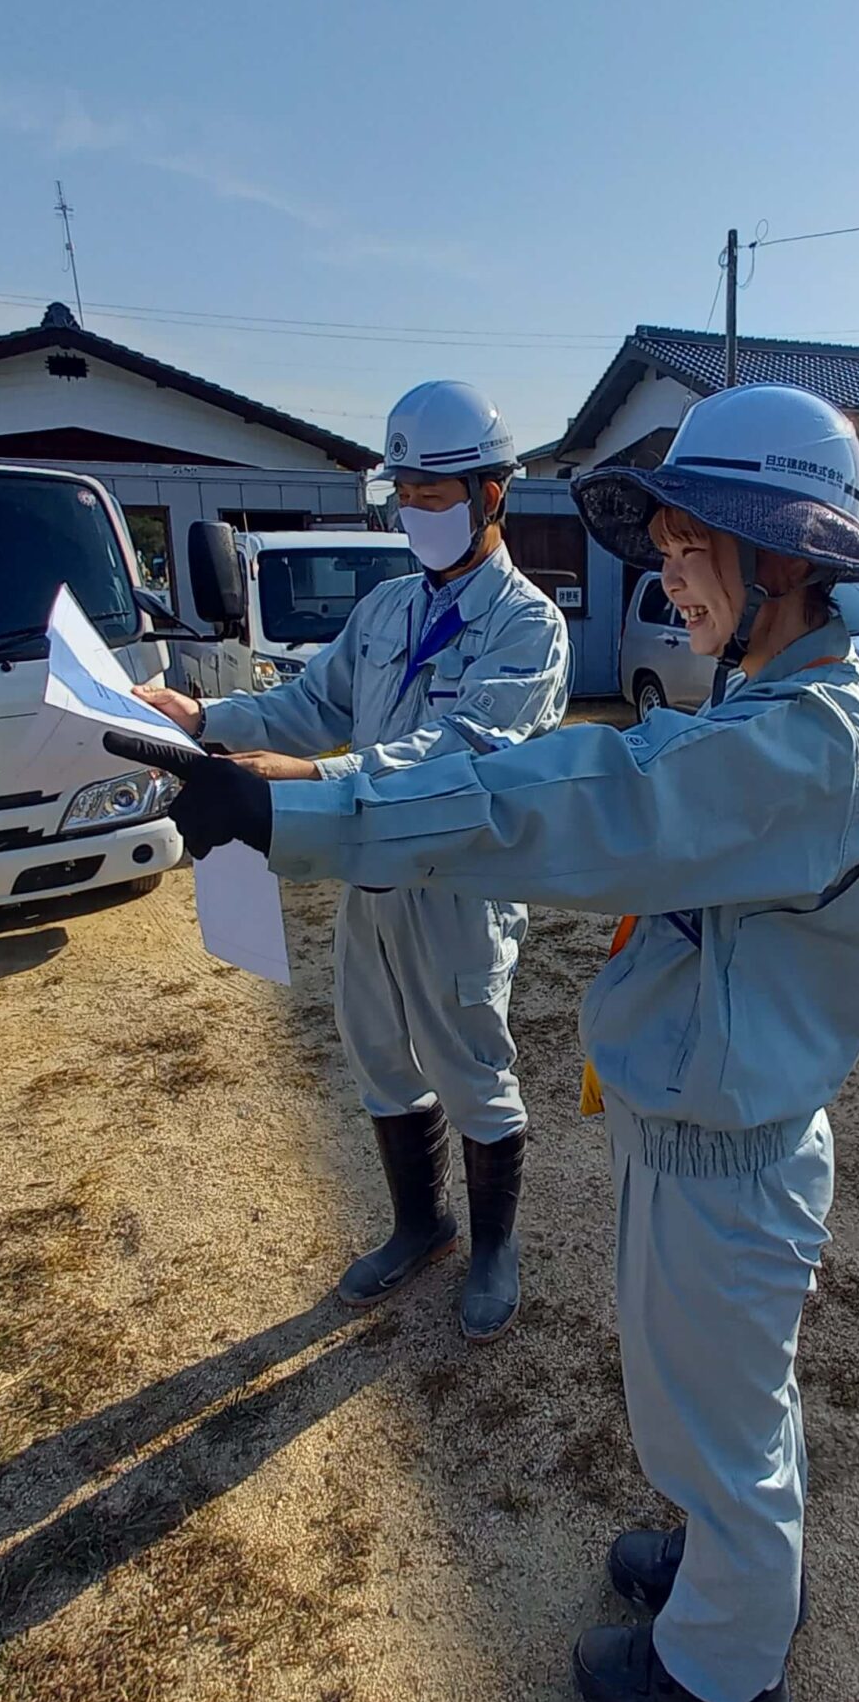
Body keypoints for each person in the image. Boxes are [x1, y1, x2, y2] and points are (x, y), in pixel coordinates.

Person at [110, 383, 859, 1702]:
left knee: (721, 1417)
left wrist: (280, 813)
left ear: (784, 560)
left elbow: (572, 793)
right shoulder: (778, 713)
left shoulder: (802, 742)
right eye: (663, 541)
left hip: (728, 1160)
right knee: (702, 1398)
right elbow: (606, 783)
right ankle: (725, 1567)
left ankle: (725, 1674)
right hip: (700, 1143)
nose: (666, 570)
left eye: (691, 542)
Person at [134, 380, 569, 1343]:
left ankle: (495, 1245)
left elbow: (467, 751)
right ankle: (420, 1223)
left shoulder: (529, 627)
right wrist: (205, 719)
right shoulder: (384, 612)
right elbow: (308, 705)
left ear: (493, 494)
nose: (416, 512)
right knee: (379, 1053)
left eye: (435, 495)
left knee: (468, 1060)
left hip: (458, 884)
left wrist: (319, 773)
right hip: (368, 875)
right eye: (404, 493)